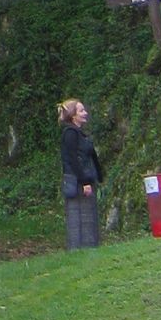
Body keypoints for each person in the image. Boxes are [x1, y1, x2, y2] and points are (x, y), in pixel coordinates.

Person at [59, 98, 104, 247]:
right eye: (81, 111)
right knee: (79, 218)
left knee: (88, 218)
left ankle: (89, 248)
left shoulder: (79, 133)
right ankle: (79, 249)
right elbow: (73, 160)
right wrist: (84, 182)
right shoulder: (70, 133)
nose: (85, 113)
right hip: (78, 183)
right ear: (73, 115)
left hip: (85, 180)